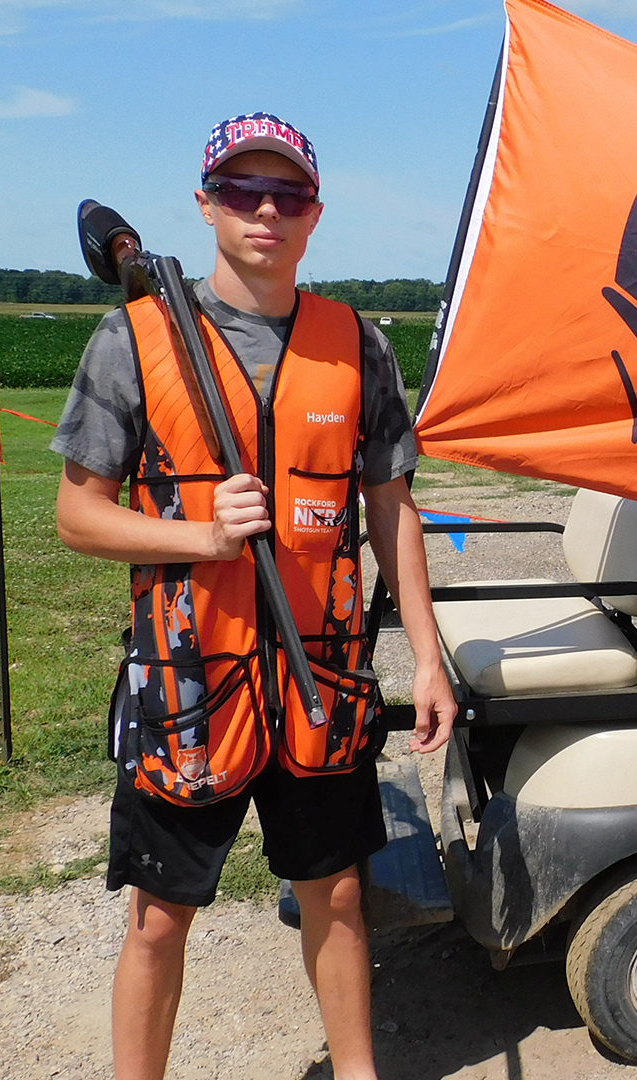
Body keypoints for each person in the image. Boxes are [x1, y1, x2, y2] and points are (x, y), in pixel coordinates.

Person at [53, 112, 457, 1080]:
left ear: (314, 215)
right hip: (193, 688)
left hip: (319, 683)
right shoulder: (137, 338)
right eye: (242, 191)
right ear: (206, 206)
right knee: (158, 921)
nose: (265, 210)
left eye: (287, 194)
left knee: (342, 896)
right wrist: (200, 534)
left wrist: (429, 657)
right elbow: (79, 516)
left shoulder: (358, 346)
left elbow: (393, 508)